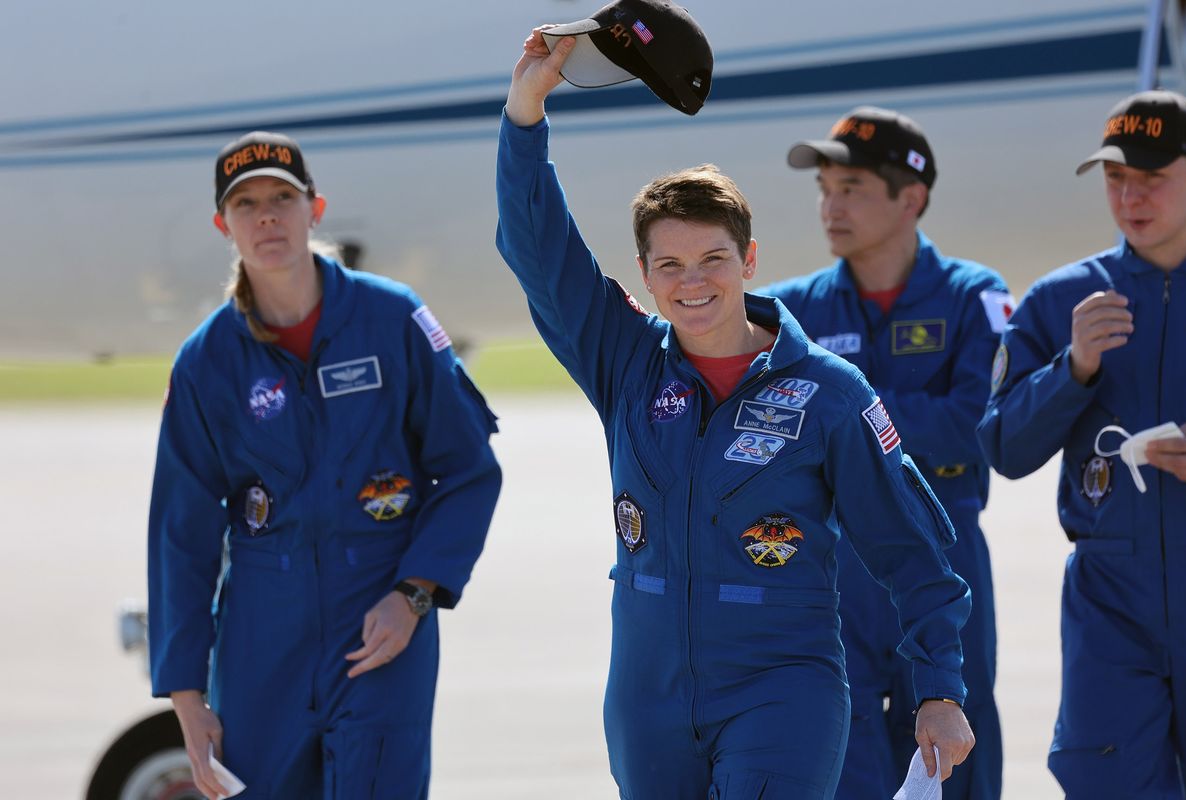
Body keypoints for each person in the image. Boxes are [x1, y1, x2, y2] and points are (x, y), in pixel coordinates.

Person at [496, 27, 975, 799]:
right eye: (671, 265)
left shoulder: (830, 392)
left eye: (714, 259)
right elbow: (539, 252)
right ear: (646, 277)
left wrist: (940, 687)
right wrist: (525, 115)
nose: (694, 283)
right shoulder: (625, 364)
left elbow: (911, 552)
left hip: (781, 691)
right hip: (647, 698)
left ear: (748, 261)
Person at [147, 130, 502, 799]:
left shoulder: (392, 318)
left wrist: (415, 592)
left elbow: (468, 470)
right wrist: (186, 691)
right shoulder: (207, 361)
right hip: (261, 634)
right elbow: (182, 535)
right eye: (246, 204)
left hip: (379, 626)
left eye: (283, 197)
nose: (267, 217)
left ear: (316, 207)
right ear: (225, 225)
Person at [761, 107, 1009, 799]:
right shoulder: (788, 312)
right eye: (825, 189)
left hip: (943, 557)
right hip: (833, 568)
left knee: (955, 749)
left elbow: (974, 423)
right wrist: (890, 417)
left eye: (853, 188)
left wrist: (839, 414)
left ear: (913, 199)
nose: (830, 206)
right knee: (842, 756)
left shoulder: (975, 296)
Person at [977, 89, 1186, 798]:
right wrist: (1071, 370)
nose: (1130, 197)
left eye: (1152, 177)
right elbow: (1004, 448)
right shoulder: (1062, 301)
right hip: (1112, 609)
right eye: (1114, 178)